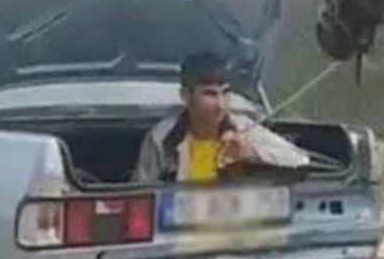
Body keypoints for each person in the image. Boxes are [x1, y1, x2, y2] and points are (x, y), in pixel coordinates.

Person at [132, 50, 310, 183]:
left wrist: (249, 152)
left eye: (225, 93)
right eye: (210, 94)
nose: (221, 104)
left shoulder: (244, 128)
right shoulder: (162, 138)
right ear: (185, 96)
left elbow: (300, 159)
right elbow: (140, 191)